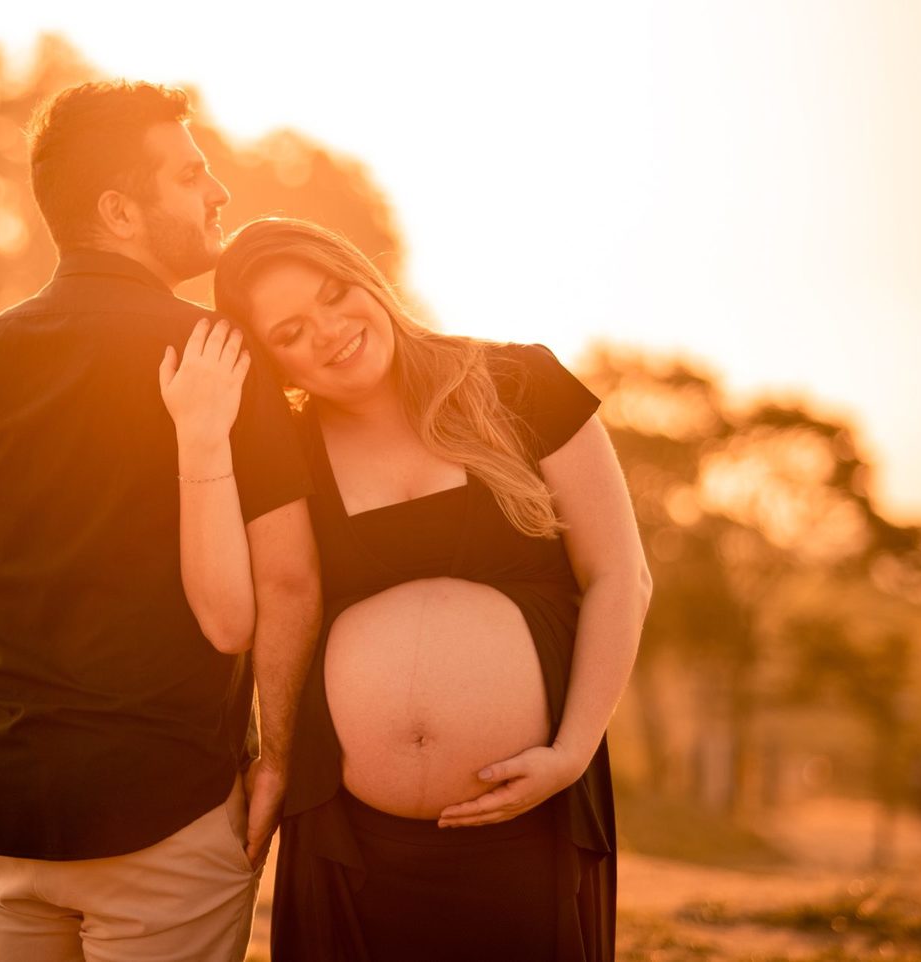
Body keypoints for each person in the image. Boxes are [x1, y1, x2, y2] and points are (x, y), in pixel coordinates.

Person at [0, 83, 321, 962]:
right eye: (189, 174)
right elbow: (286, 577)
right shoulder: (221, 355)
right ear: (118, 210)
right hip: (167, 815)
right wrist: (277, 758)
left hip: (13, 816)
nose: (217, 193)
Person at [164, 217, 651, 961]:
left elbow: (621, 574)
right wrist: (278, 761)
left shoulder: (521, 383)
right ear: (275, 364)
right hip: (352, 839)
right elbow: (276, 603)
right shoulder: (290, 450)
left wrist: (573, 753)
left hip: (528, 815)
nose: (329, 331)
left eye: (335, 294)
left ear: (368, 277)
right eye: (292, 331)